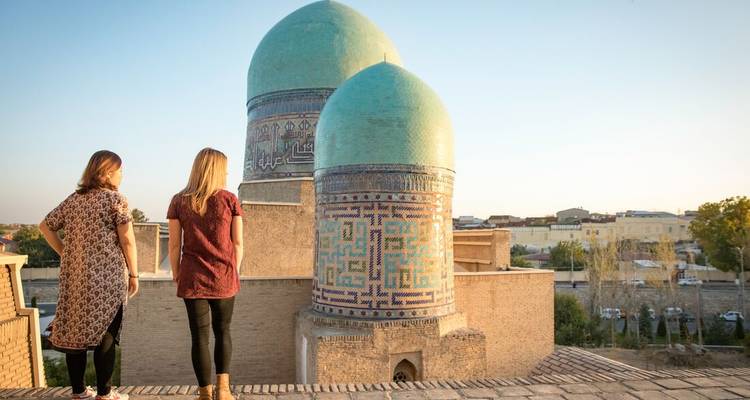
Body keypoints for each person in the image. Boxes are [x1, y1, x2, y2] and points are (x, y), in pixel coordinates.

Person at [40, 150, 139, 400]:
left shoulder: (74, 199)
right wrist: (134, 274)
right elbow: (127, 240)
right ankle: (105, 394)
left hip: (76, 279)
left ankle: (79, 392)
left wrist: (66, 253)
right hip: (108, 279)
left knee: (76, 333)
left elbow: (45, 226)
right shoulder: (116, 199)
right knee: (106, 334)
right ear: (107, 173)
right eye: (120, 171)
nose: (122, 175)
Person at [167, 148, 243, 400]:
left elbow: (174, 245)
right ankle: (223, 391)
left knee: (198, 337)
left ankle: (204, 393)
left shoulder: (179, 200)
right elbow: (238, 244)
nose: (228, 173)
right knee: (223, 332)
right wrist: (234, 270)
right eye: (225, 168)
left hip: (193, 277)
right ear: (217, 170)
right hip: (224, 276)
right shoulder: (230, 199)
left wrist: (177, 273)